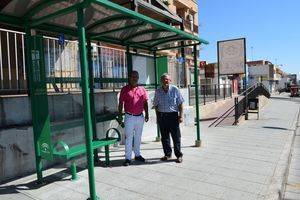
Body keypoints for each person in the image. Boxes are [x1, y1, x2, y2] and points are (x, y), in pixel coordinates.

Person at [118, 70, 149, 166]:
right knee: (128, 137)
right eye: (133, 76)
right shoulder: (124, 89)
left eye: (136, 77)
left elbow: (145, 102)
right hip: (129, 117)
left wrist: (147, 114)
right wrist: (120, 116)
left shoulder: (142, 89)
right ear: (129, 78)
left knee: (138, 137)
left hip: (140, 117)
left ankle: (137, 154)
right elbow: (120, 103)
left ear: (138, 78)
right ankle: (127, 158)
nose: (134, 78)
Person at [153, 73, 184, 163]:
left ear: (170, 80)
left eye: (167, 79)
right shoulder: (158, 91)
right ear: (161, 81)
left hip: (173, 116)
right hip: (162, 116)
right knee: (165, 137)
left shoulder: (175, 89)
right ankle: (167, 154)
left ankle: (179, 155)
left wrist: (181, 116)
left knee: (176, 137)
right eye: (163, 79)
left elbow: (180, 103)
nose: (165, 81)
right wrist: (158, 117)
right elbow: (156, 105)